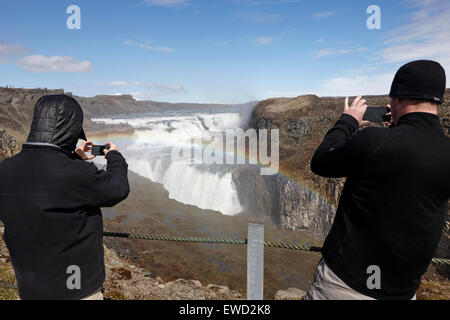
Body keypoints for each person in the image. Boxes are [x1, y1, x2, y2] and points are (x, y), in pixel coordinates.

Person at [306, 60, 450, 300]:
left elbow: (320, 162)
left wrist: (347, 122)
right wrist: (395, 133)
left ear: (398, 99)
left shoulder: (373, 140)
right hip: (403, 292)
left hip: (345, 286)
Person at [0, 94, 130, 300]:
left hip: (29, 288)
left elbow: (44, 180)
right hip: (75, 288)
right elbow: (118, 188)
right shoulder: (76, 173)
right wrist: (114, 156)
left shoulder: (5, 168)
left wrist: (73, 158)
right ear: (71, 130)